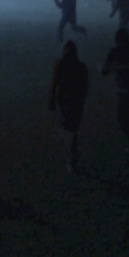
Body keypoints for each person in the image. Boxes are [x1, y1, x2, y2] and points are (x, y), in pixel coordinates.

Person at [49, 40, 89, 173]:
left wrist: (51, 100)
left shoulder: (59, 65)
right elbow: (85, 87)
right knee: (71, 131)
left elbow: (54, 83)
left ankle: (71, 160)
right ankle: (72, 160)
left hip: (65, 102)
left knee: (67, 131)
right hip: (76, 103)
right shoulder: (81, 67)